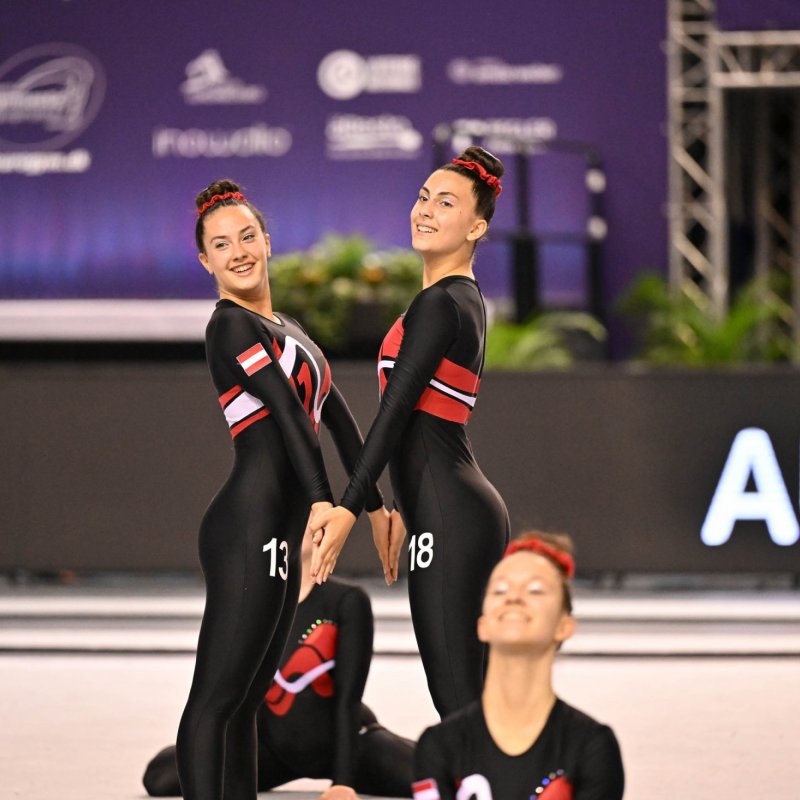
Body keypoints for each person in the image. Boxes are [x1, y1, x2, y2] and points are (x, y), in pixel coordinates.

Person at [175, 179, 390, 800]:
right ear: (205, 261)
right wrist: (323, 499)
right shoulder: (230, 326)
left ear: (267, 242)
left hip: (275, 530)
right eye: (222, 244)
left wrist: (374, 506)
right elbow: (290, 416)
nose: (238, 251)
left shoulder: (287, 327)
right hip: (246, 525)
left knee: (246, 700)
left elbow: (337, 418)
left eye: (247, 236)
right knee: (216, 697)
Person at [309, 146, 511, 716]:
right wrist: (390, 506)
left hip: (450, 512)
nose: (425, 210)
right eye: (423, 197)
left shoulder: (441, 303)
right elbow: (416, 421)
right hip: (448, 507)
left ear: (477, 227)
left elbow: (396, 414)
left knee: (458, 699)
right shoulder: (456, 299)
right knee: (470, 699)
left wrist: (350, 509)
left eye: (446, 203)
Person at [144, 531, 414, 799]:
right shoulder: (259, 603)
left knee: (433, 776)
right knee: (160, 777)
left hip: (345, 745)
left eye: (309, 519)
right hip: (275, 750)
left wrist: (343, 781)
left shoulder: (347, 601)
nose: (299, 526)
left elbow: (349, 699)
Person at [411, 532, 625, 800]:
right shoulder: (439, 746)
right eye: (500, 590)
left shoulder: (591, 746)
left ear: (564, 626)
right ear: (482, 625)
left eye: (535, 590)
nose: (513, 597)